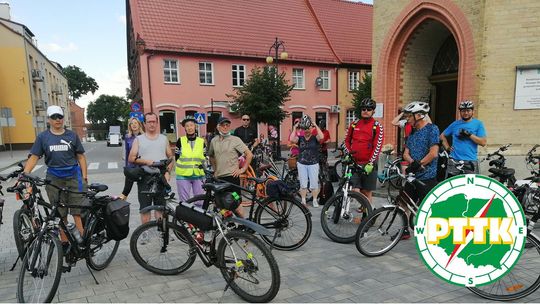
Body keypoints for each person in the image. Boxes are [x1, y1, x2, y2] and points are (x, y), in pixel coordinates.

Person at [23, 105, 88, 245]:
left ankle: (82, 242)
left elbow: (81, 157)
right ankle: (64, 244)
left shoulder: (71, 135)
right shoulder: (43, 137)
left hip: (73, 176)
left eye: (60, 116)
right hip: (54, 179)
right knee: (60, 214)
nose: (58, 119)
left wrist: (84, 176)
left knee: (77, 211)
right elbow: (34, 157)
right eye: (54, 117)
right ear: (49, 119)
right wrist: (25, 173)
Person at [402, 101, 440, 239]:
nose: (407, 119)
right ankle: (404, 230)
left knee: (427, 208)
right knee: (403, 202)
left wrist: (420, 164)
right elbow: (406, 153)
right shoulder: (412, 133)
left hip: (427, 175)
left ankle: (432, 237)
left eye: (409, 116)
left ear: (419, 115)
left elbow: (434, 153)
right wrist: (412, 163)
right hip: (413, 175)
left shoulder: (432, 129)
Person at [128, 112, 174, 224]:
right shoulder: (139, 139)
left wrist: (168, 172)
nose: (152, 124)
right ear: (144, 123)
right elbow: (131, 158)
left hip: (160, 178)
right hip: (145, 178)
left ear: (157, 123)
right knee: (145, 208)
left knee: (160, 207)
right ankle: (144, 233)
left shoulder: (163, 139)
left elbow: (171, 157)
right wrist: (145, 161)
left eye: (154, 121)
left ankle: (160, 232)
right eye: (149, 122)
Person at [207, 117, 253, 217]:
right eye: (223, 125)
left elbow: (249, 154)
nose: (225, 127)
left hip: (232, 178)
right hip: (219, 178)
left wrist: (243, 169)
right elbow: (211, 156)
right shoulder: (214, 141)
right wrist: (215, 170)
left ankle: (244, 225)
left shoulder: (235, 139)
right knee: (220, 204)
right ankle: (230, 223)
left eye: (227, 125)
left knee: (236, 203)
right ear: (218, 127)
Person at [345, 98, 384, 204]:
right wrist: (348, 153)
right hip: (355, 163)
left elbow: (377, 146)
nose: (365, 111)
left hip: (368, 163)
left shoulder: (377, 126)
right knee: (354, 189)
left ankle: (367, 215)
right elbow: (346, 141)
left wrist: (371, 162)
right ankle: (364, 206)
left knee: (367, 192)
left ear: (373, 111)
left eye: (368, 109)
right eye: (363, 109)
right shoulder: (354, 124)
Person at [440, 100, 487, 176]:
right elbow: (442, 136)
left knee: (470, 186)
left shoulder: (478, 124)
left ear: (472, 111)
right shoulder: (455, 124)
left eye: (468, 110)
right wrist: (447, 147)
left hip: (470, 161)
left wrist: (469, 135)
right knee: (453, 185)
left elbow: (483, 142)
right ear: (460, 112)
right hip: (454, 160)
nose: (466, 113)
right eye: (463, 111)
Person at [289, 115, 324, 207]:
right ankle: (303, 200)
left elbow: (322, 137)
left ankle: (315, 200)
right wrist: (294, 128)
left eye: (308, 128)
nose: (307, 131)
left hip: (313, 163)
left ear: (311, 128)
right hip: (302, 163)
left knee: (314, 182)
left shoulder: (314, 137)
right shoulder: (300, 138)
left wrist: (315, 125)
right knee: (303, 183)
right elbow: (292, 139)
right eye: (304, 129)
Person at [175, 116, 206, 204]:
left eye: (191, 125)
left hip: (199, 175)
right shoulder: (180, 141)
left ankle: (198, 217)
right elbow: (176, 157)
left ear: (195, 126)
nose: (189, 128)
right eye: (187, 126)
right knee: (184, 202)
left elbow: (204, 157)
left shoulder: (201, 141)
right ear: (184, 128)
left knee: (200, 202)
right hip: (183, 175)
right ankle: (185, 217)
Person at [119, 117, 144, 200]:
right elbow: (126, 153)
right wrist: (126, 167)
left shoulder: (144, 136)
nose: (134, 125)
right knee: (126, 190)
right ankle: (120, 207)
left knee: (142, 190)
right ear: (129, 126)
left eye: (136, 123)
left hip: (142, 167)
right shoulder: (127, 137)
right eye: (132, 123)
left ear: (139, 125)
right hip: (131, 167)